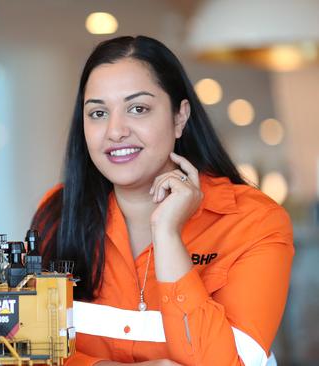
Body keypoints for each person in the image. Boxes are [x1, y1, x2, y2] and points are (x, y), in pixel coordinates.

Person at [31, 36, 293, 366]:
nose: (115, 131)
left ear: (180, 117)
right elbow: (21, 347)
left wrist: (168, 235)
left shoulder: (253, 221)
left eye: (138, 109)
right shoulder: (58, 212)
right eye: (97, 113)